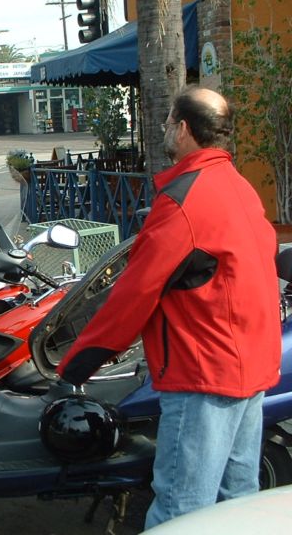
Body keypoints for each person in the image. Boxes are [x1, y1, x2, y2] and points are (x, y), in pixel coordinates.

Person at [56, 86, 281, 529]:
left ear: (183, 128)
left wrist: (79, 360)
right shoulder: (239, 187)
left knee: (182, 509)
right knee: (236, 503)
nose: (162, 129)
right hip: (250, 366)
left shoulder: (184, 200)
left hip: (205, 375)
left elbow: (134, 293)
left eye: (166, 121)